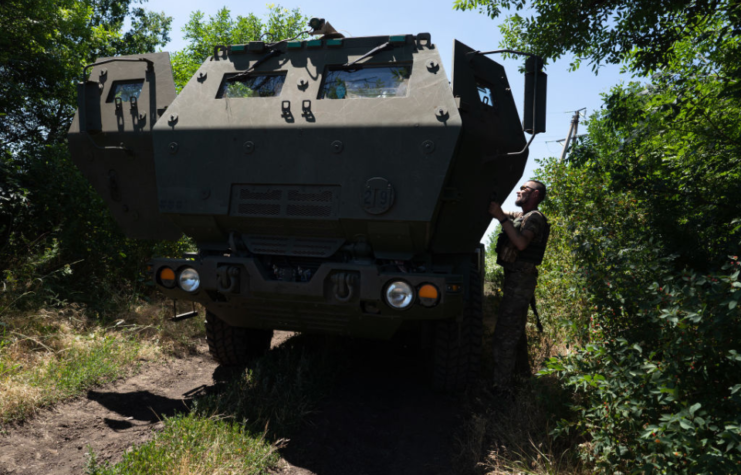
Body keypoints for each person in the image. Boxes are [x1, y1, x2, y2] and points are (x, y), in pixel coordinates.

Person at [488, 180, 550, 388]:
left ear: (535, 195)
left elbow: (522, 243)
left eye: (524, 189)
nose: (519, 190)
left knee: (505, 335)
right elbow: (502, 213)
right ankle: (522, 378)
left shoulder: (535, 218)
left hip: (520, 281)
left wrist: (501, 218)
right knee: (515, 333)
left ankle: (501, 389)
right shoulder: (522, 216)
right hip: (517, 280)